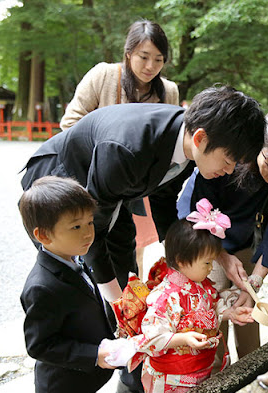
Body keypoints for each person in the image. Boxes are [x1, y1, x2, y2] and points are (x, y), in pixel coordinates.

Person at [21, 85, 266, 393]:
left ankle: (130, 379)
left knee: (129, 283)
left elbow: (164, 203)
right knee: (81, 302)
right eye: (230, 159)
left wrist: (212, 255)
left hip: (113, 196)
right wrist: (118, 303)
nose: (231, 170)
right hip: (62, 193)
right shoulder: (128, 149)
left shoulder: (186, 145)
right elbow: (94, 237)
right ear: (201, 138)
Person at [177, 107, 268, 365]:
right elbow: (199, 208)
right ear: (258, 148)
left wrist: (255, 281)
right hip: (205, 231)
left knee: (246, 301)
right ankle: (212, 373)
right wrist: (222, 257)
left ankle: (251, 371)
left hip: (249, 234)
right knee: (213, 301)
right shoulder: (234, 153)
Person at [60, 19, 179, 281]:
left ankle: (124, 303)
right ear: (128, 53)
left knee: (132, 246)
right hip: (94, 178)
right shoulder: (103, 75)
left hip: (136, 184)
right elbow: (69, 123)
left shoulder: (168, 91)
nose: (150, 67)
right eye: (143, 57)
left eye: (158, 60)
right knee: (90, 242)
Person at [109, 199, 253, 393]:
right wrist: (183, 338)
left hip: (200, 369)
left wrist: (230, 312)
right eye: (207, 262)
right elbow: (152, 337)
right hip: (174, 379)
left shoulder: (200, 285)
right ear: (183, 261)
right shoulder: (165, 297)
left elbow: (210, 308)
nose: (211, 267)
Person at [18, 176, 116, 393]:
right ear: (44, 235)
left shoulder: (73, 257)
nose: (88, 233)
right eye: (76, 227)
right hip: (63, 389)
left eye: (90, 222)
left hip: (84, 378)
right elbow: (39, 345)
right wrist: (94, 354)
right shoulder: (42, 287)